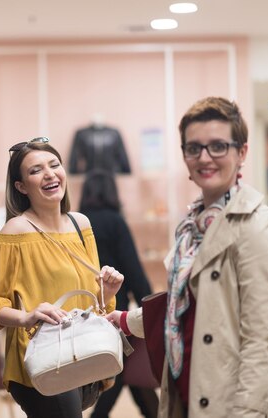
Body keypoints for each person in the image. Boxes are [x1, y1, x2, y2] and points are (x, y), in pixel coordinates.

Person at [106, 97, 268, 417]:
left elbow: (262, 340)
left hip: (232, 401)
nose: (205, 158)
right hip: (190, 387)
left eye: (218, 146)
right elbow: (188, 306)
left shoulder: (257, 226)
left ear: (242, 153)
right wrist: (123, 320)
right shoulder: (190, 228)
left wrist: (246, 412)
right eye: (194, 148)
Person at [0, 136, 125, 418]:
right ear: (20, 186)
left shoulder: (81, 225)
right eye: (35, 170)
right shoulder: (15, 232)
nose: (49, 173)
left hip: (82, 353)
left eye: (54, 164)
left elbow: (95, 303)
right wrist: (26, 316)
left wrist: (107, 293)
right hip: (43, 358)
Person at [79, 169, 159, 418]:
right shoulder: (115, 221)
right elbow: (132, 268)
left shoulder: (75, 223)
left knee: (125, 372)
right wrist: (149, 307)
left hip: (83, 312)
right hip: (115, 311)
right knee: (123, 370)